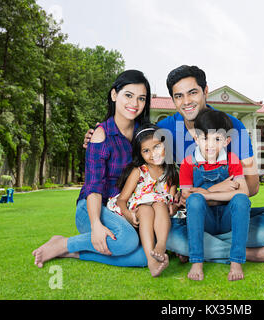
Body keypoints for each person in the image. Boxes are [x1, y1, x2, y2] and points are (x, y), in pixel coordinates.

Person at [84, 65, 264, 266]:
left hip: (230, 210)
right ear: (173, 100)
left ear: (205, 91)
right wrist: (97, 136)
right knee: (168, 231)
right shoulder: (165, 129)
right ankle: (242, 252)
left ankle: (200, 246)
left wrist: (206, 193)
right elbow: (135, 139)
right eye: (178, 96)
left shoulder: (233, 127)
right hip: (192, 215)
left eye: (192, 93)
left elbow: (252, 187)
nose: (186, 102)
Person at [32, 70, 170, 276]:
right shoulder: (100, 135)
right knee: (127, 241)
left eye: (141, 98)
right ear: (114, 95)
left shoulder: (145, 135)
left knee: (145, 256)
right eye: (128, 95)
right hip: (94, 208)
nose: (135, 103)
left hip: (127, 209)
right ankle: (64, 244)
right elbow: (93, 186)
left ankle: (72, 252)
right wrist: (96, 224)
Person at [180, 108, 251, 281]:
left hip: (228, 219)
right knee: (194, 202)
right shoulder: (188, 162)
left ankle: (236, 261)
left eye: (217, 139)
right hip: (205, 222)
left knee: (241, 200)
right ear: (196, 138)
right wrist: (223, 187)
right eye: (205, 138)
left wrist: (206, 195)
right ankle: (196, 261)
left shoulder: (232, 159)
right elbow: (187, 197)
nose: (210, 145)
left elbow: (244, 192)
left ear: (226, 141)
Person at [107, 123, 178, 276]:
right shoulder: (139, 172)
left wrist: (173, 207)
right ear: (140, 154)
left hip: (160, 213)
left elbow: (171, 201)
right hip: (138, 212)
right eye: (146, 150)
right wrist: (126, 213)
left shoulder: (170, 173)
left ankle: (161, 245)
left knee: (160, 204)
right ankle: (151, 261)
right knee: (145, 210)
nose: (153, 154)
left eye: (157, 147)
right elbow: (122, 199)